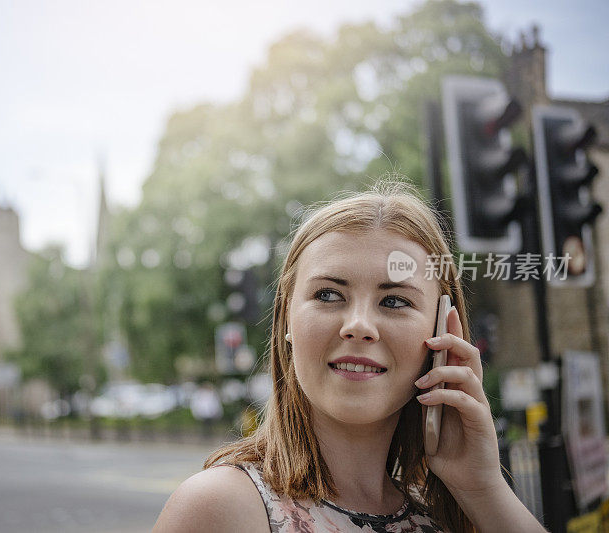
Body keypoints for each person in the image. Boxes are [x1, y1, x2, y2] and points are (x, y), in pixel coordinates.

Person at [153, 180, 547, 532]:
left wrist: (484, 490)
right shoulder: (221, 507)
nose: (358, 326)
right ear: (287, 318)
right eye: (328, 295)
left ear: (443, 331)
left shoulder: (448, 515)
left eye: (394, 301)